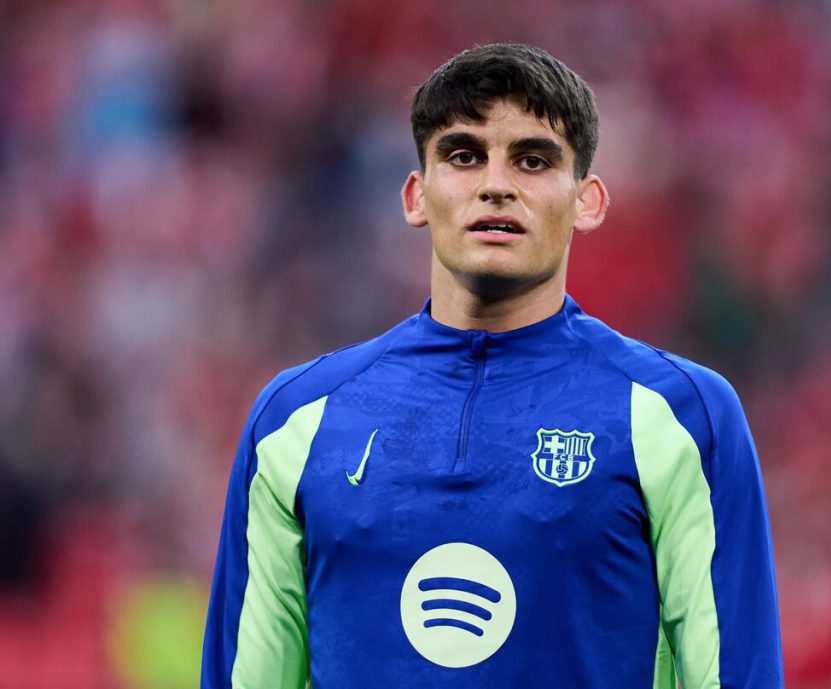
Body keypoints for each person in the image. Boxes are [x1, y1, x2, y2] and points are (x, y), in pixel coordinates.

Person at [202, 43, 783, 688]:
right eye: (463, 156)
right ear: (416, 196)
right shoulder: (296, 422)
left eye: (533, 160)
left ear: (587, 201)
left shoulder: (681, 417)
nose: (496, 185)